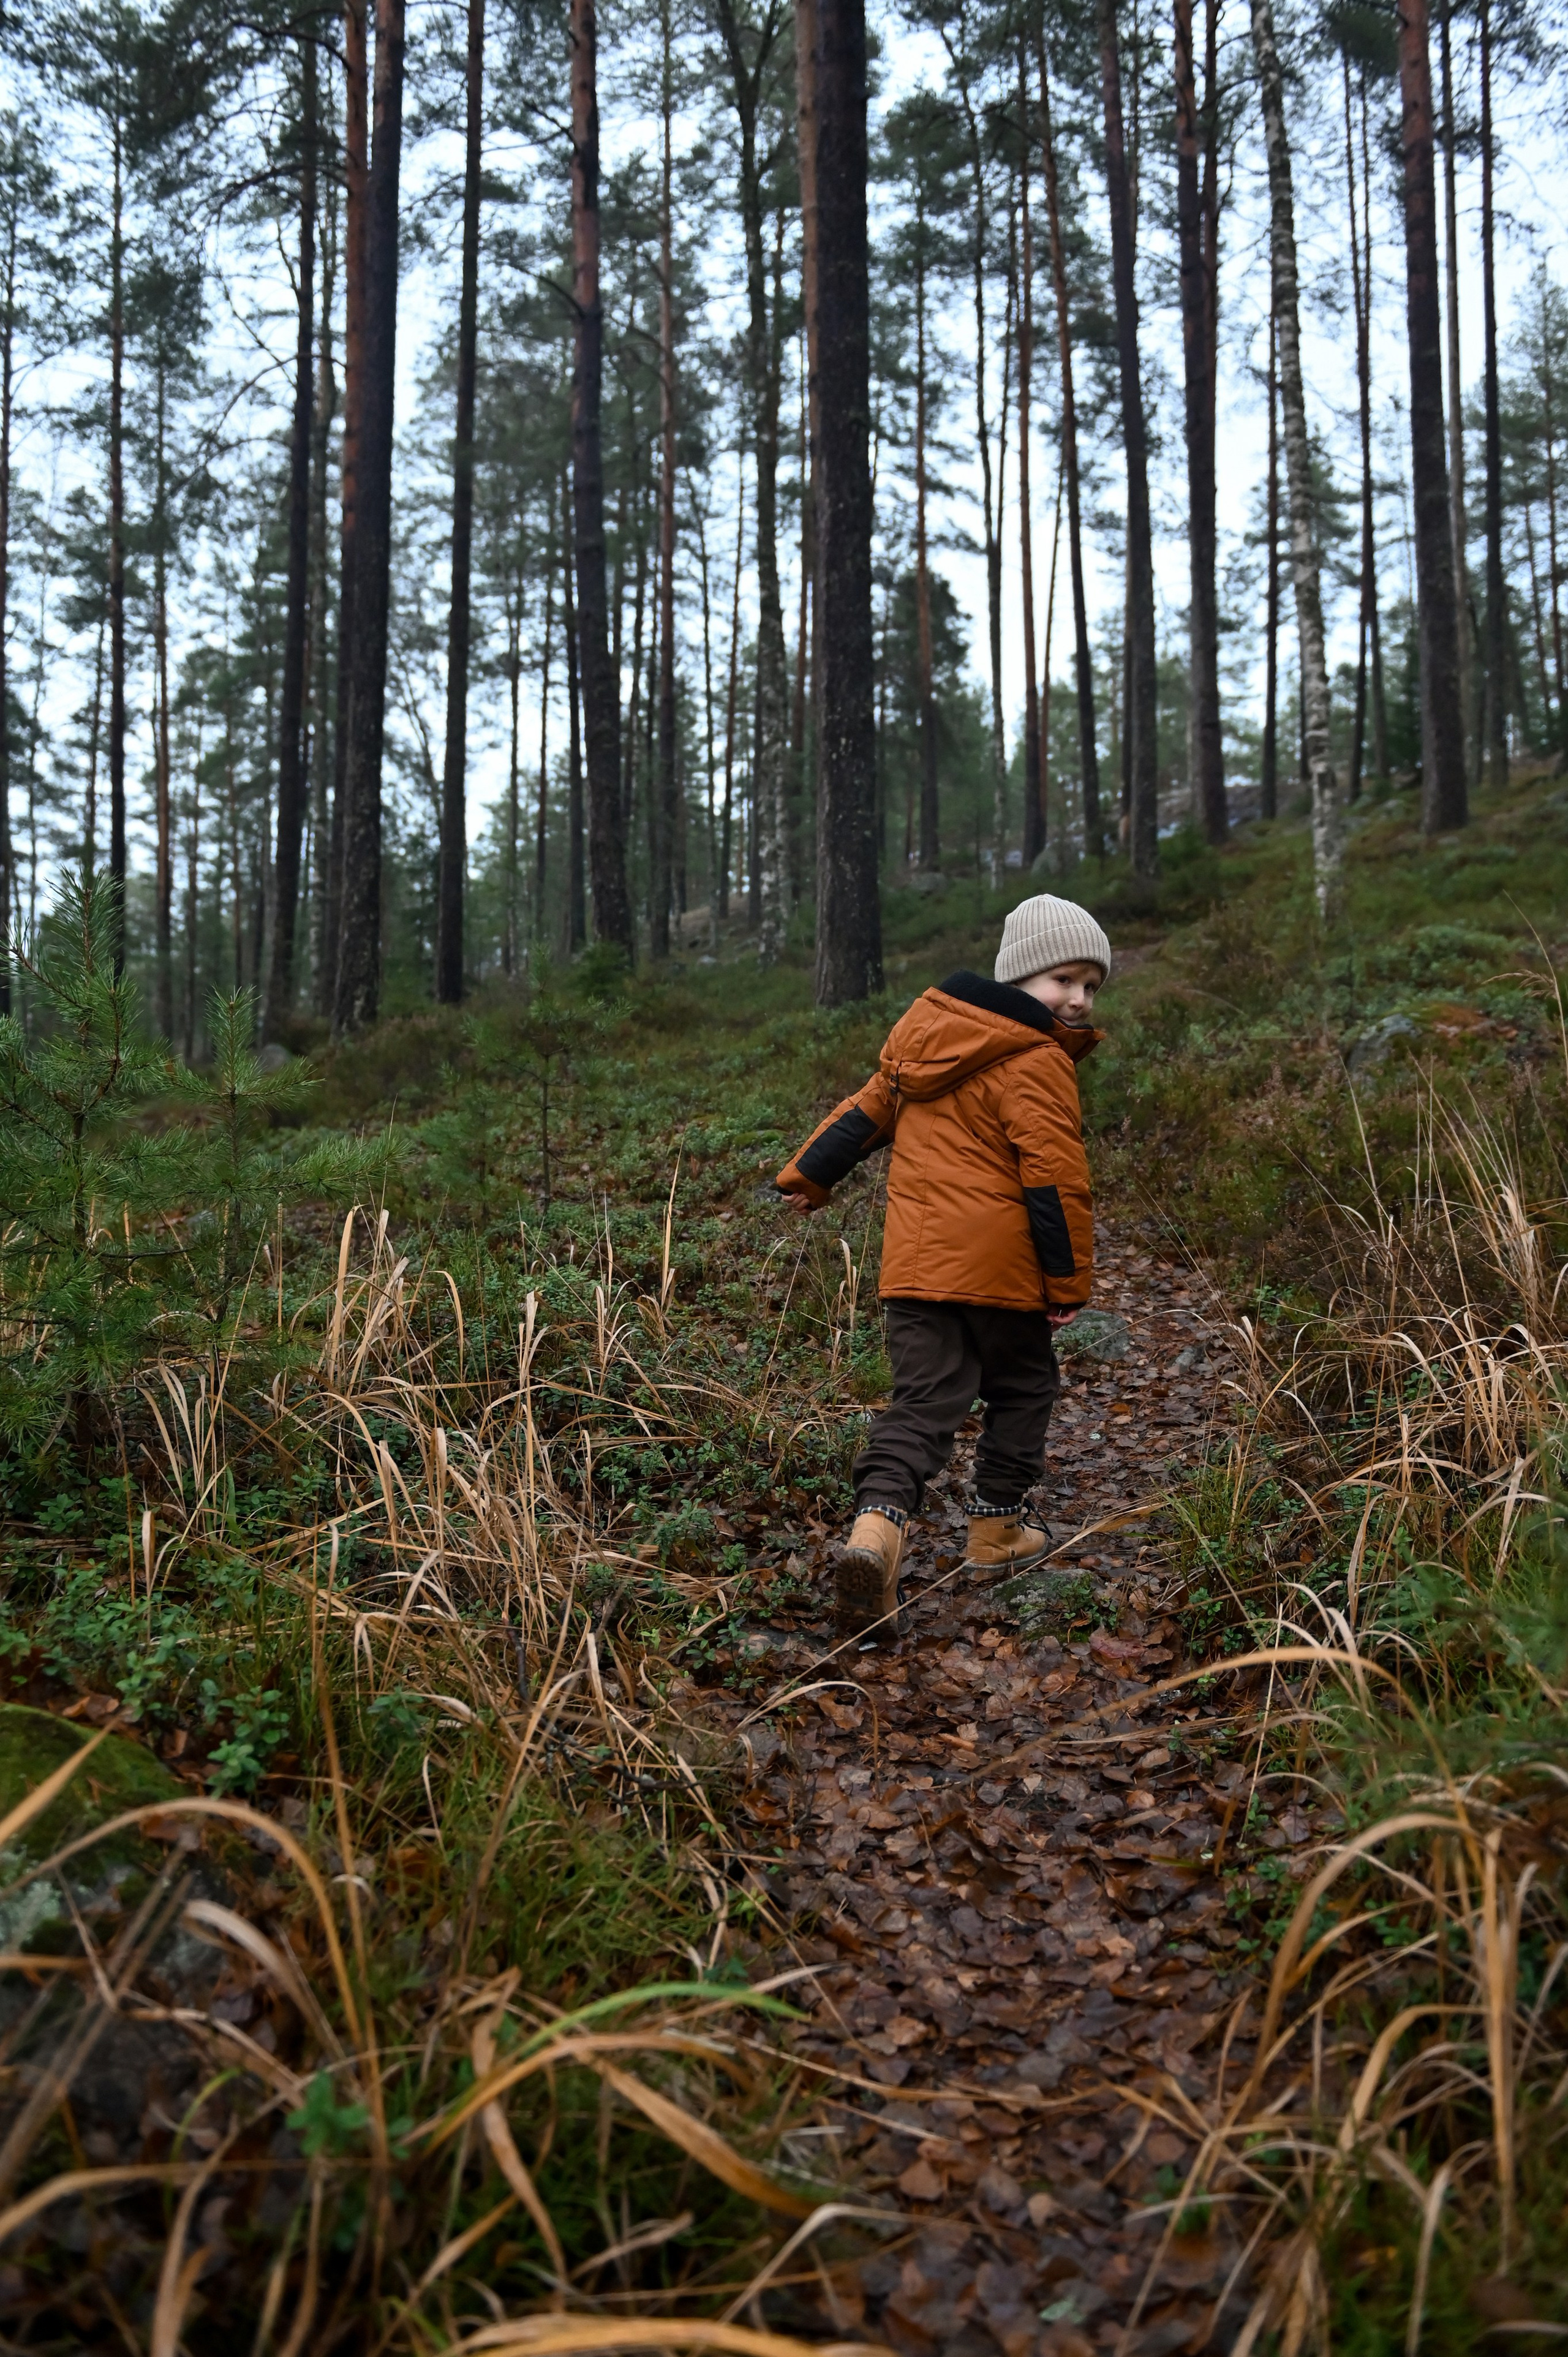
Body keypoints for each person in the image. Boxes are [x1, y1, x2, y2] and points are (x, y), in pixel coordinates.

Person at [775, 893, 1109, 1636]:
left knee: (922, 1403)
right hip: (1002, 1272)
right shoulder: (1037, 1058)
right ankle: (996, 1530)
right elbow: (1055, 1179)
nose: (1079, 999)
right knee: (1023, 1386)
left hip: (916, 1267)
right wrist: (1067, 1283)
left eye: (1091, 984)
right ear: (1018, 977)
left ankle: (875, 1532)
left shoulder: (921, 1040)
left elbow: (865, 1110)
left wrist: (810, 1175)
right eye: (1063, 979)